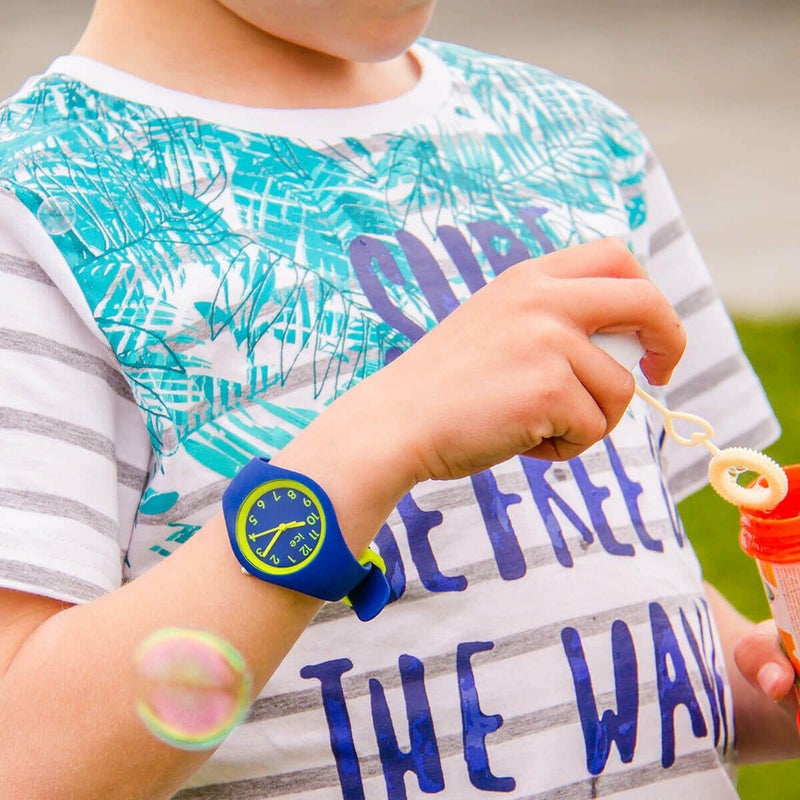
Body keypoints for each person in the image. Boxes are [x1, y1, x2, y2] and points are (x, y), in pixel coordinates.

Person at [0, 1, 796, 797]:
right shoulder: (33, 208)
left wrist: (770, 678)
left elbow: (613, 608)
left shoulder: (580, 138)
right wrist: (386, 433)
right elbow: (28, 761)